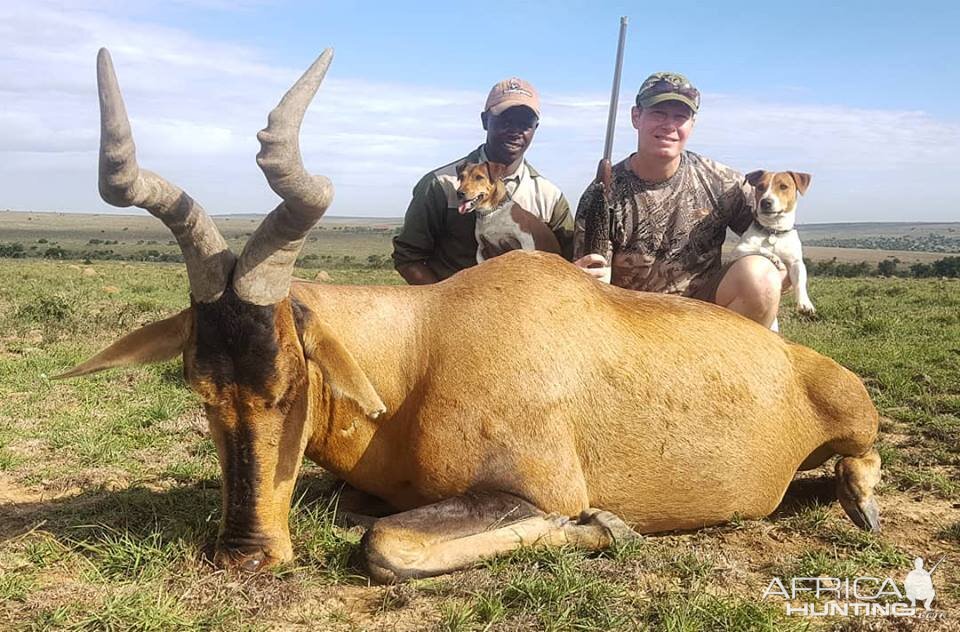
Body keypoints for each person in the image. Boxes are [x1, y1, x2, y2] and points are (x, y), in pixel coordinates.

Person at [573, 72, 786, 330]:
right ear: (636, 116)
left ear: (692, 124)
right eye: (658, 113)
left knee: (761, 277)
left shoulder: (722, 182)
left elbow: (773, 234)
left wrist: (781, 270)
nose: (669, 125)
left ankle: (731, 363)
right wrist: (590, 280)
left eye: (680, 116)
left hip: (704, 315)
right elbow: (592, 277)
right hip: (629, 321)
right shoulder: (601, 195)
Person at [392, 78, 574, 284]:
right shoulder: (441, 184)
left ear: (535, 128)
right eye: (506, 121)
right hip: (456, 310)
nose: (515, 131)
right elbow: (408, 257)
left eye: (525, 124)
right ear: (485, 121)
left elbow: (571, 263)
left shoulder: (549, 196)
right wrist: (446, 304)